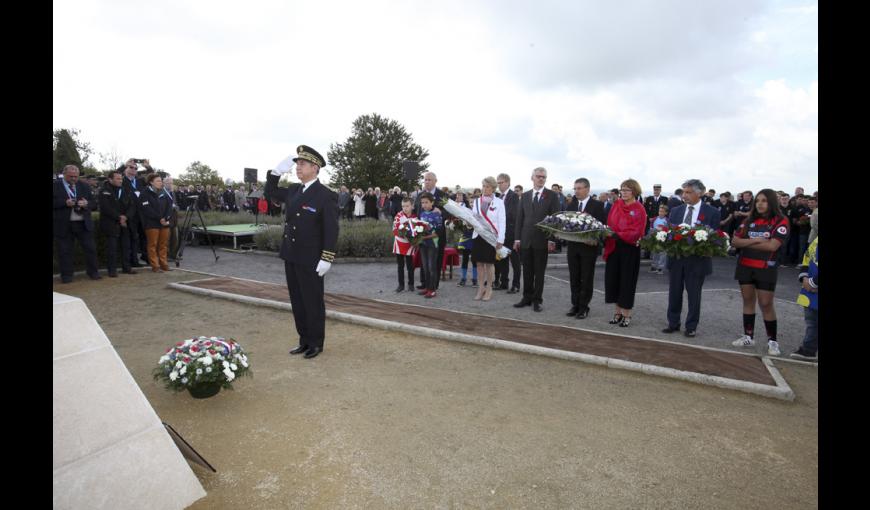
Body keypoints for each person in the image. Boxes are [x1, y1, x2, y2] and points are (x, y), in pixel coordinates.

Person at [265, 145, 338, 359]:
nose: (298, 167)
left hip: (312, 258)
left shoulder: (326, 195)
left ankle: (316, 342)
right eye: (296, 163)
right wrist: (276, 173)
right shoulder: (294, 190)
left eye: (302, 164)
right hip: (291, 254)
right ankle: (304, 340)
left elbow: (331, 229)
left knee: (312, 301)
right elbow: (269, 192)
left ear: (315, 168)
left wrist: (327, 257)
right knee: (297, 300)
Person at [729, 189, 790, 356]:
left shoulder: (781, 220)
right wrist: (756, 240)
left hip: (766, 268)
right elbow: (734, 241)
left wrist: (745, 243)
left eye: (764, 200)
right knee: (748, 301)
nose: (760, 204)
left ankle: (773, 341)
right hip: (745, 266)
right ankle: (748, 336)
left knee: (765, 303)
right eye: (758, 201)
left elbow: (772, 246)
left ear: (771, 202)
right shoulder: (749, 220)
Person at [661, 180, 721, 337]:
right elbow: (669, 232)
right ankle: (673, 323)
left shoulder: (712, 212)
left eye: (688, 192)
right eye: (683, 192)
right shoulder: (675, 211)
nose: (684, 195)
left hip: (697, 260)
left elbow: (714, 237)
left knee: (694, 294)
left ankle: (691, 326)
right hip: (676, 258)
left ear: (699, 193)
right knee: (674, 292)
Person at [513, 167, 560, 312]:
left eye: (543, 177)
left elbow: (555, 219)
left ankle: (537, 300)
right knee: (527, 271)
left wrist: (552, 240)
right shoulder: (525, 195)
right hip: (526, 240)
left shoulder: (551, 195)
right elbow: (519, 218)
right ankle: (526, 297)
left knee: (539, 272)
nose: (541, 179)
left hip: (542, 240)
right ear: (532, 178)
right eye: (538, 176)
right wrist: (517, 239)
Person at [603, 179, 647, 327]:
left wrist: (619, 235)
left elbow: (637, 231)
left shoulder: (639, 208)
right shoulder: (616, 204)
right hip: (614, 247)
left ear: (634, 191)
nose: (624, 192)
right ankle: (617, 312)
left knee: (627, 281)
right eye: (622, 189)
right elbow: (610, 222)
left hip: (629, 249)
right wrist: (609, 233)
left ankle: (627, 314)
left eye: (627, 190)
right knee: (614, 280)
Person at [564, 178, 607, 319]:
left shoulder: (598, 205)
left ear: (587, 189)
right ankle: (575, 305)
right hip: (573, 247)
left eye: (579, 188)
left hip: (588, 248)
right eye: (575, 188)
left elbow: (602, 226)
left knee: (586, 278)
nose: (576, 191)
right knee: (574, 277)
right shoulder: (571, 205)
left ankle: (584, 307)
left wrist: (596, 239)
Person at [54, 165, 101, 282]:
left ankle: (93, 272)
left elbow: (94, 203)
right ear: (64, 174)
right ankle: (67, 276)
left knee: (90, 249)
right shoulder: (55, 185)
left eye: (76, 176)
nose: (74, 179)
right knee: (65, 251)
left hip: (83, 223)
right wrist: (64, 202)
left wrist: (86, 204)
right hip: (64, 224)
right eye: (71, 176)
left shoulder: (84, 185)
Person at [470, 177, 506, 301]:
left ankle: (489, 288)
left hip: (491, 237)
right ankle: (481, 288)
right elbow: (473, 218)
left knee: (489, 264)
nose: (485, 189)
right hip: (478, 235)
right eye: (483, 186)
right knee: (479, 263)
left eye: (487, 186)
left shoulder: (499, 202)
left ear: (493, 188)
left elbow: (502, 222)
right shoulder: (476, 202)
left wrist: (501, 239)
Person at [98, 170, 137, 277]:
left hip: (125, 223)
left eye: (121, 179)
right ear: (110, 179)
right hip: (111, 224)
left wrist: (126, 217)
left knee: (126, 247)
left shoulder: (125, 190)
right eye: (118, 179)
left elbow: (132, 206)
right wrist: (119, 217)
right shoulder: (104, 191)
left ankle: (126, 267)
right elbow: (106, 207)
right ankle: (112, 270)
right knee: (112, 248)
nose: (120, 181)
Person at [414, 172, 447, 291]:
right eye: (425, 179)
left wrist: (441, 212)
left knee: (435, 262)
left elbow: (449, 212)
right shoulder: (420, 195)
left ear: (435, 181)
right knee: (424, 261)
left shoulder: (442, 195)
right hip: (423, 235)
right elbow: (417, 212)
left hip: (437, 236)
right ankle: (425, 283)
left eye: (429, 180)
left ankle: (434, 285)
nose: (427, 181)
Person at [138, 173, 173, 273]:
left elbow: (169, 207)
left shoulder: (164, 192)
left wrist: (166, 218)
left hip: (164, 223)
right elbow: (146, 209)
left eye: (161, 181)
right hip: (152, 224)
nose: (160, 183)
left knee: (163, 244)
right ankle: (155, 266)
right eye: (158, 181)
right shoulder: (145, 193)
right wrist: (159, 218)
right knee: (152, 245)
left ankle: (164, 264)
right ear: (151, 182)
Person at [790, 237, 818, 361]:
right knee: (811, 321)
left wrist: (813, 282)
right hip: (810, 289)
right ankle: (808, 350)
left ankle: (808, 349)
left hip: (813, 285)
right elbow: (808, 255)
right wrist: (804, 277)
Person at [494, 173, 521, 293]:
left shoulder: (514, 196)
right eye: (498, 183)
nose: (499, 185)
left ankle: (516, 285)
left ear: (508, 183)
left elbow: (514, 215)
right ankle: (504, 283)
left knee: (515, 262)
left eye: (501, 182)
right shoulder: (498, 197)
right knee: (502, 260)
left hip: (511, 234)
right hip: (501, 235)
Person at [417, 193, 442, 298]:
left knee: (432, 267)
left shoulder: (437, 215)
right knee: (425, 267)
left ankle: (432, 290)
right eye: (422, 203)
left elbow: (438, 233)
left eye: (426, 202)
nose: (424, 205)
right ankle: (427, 288)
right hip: (423, 245)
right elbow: (419, 228)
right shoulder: (422, 214)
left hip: (432, 244)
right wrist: (416, 237)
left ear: (432, 202)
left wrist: (424, 238)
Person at [392, 197, 417, 292]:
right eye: (403, 206)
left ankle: (411, 284)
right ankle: (401, 285)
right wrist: (401, 233)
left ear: (412, 206)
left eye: (407, 206)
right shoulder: (398, 215)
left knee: (410, 266)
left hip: (409, 245)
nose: (405, 208)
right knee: (400, 265)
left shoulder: (415, 217)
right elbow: (395, 229)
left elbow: (417, 231)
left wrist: (414, 238)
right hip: (399, 243)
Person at [453, 192, 478, 287]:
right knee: (465, 259)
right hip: (465, 237)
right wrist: (459, 224)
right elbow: (459, 223)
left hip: (475, 238)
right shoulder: (465, 211)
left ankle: (475, 279)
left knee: (475, 259)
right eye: (471, 202)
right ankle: (463, 279)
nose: (472, 204)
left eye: (474, 203)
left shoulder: (479, 214)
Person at [650, 204, 669, 274]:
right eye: (660, 211)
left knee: (662, 253)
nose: (661, 213)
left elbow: (668, 229)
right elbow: (651, 228)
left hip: (663, 239)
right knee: (654, 252)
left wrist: (663, 230)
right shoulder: (654, 219)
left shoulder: (667, 220)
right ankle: (654, 266)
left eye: (663, 212)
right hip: (654, 238)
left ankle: (661, 267)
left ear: (666, 213)